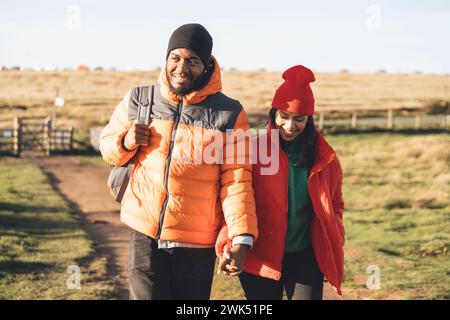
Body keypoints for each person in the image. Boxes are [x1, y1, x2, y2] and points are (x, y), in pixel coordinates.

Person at [99, 23, 257, 300]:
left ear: (207, 65)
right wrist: (125, 142)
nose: (181, 67)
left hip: (196, 245)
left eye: (192, 60)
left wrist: (241, 238)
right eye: (176, 57)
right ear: (166, 59)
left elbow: (237, 180)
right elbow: (108, 149)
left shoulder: (229, 113)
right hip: (145, 234)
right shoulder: (139, 99)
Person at [216, 65, 345, 300]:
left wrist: (333, 238)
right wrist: (229, 242)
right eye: (284, 116)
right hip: (261, 256)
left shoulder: (324, 157)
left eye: (299, 119)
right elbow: (236, 200)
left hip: (306, 257)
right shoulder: (253, 151)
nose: (290, 125)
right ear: (274, 113)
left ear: (309, 119)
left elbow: (335, 203)